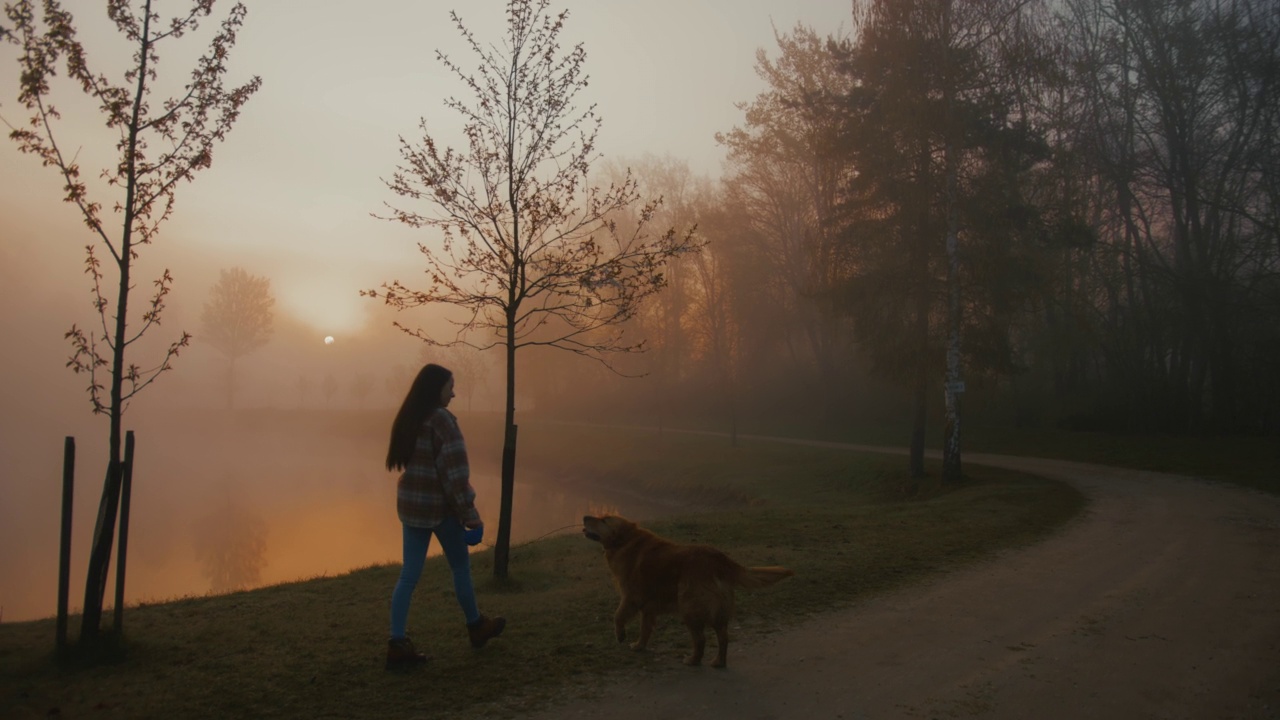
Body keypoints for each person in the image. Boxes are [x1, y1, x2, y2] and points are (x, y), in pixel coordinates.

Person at [384, 363, 505, 669]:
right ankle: (476, 626)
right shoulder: (442, 420)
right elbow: (455, 473)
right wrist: (471, 515)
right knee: (460, 567)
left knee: (408, 576)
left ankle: (397, 643)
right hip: (440, 508)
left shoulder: (411, 417)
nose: (454, 392)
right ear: (436, 388)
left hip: (411, 506)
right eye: (450, 386)